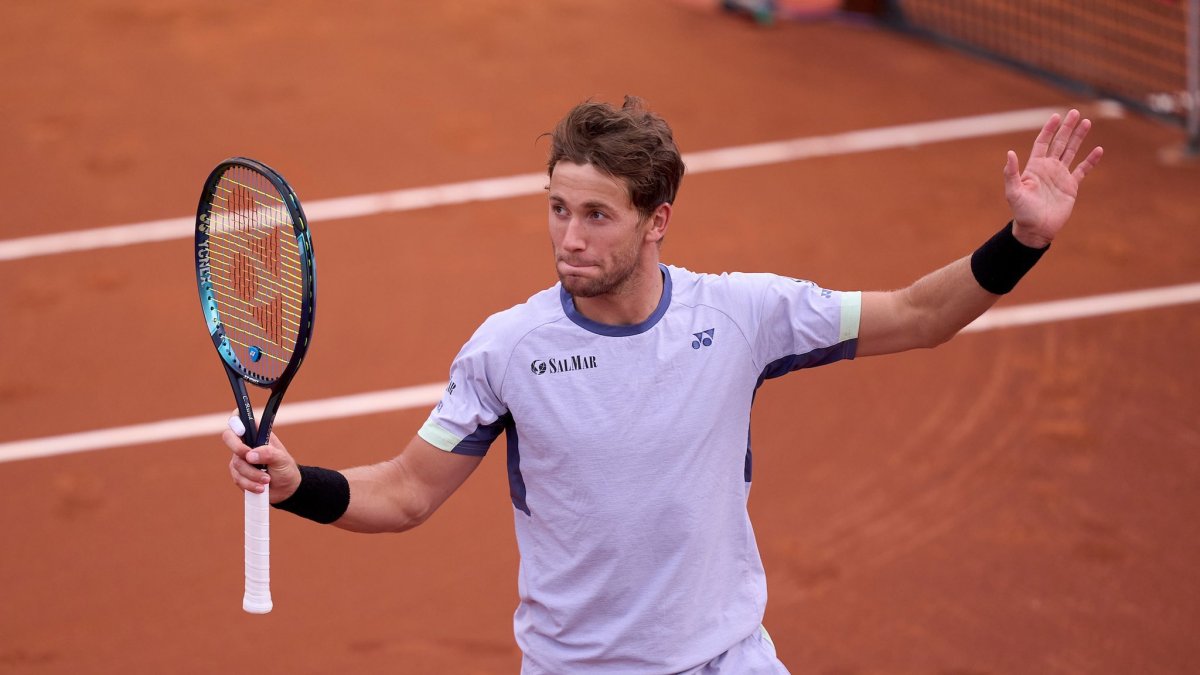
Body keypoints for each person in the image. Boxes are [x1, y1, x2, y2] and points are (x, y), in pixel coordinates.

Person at [224, 96, 1103, 673]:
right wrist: (299, 486)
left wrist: (1021, 241)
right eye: (558, 209)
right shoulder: (508, 351)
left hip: (728, 657)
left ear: (658, 222)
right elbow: (408, 492)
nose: (569, 237)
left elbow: (918, 314)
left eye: (598, 215)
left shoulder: (745, 316)